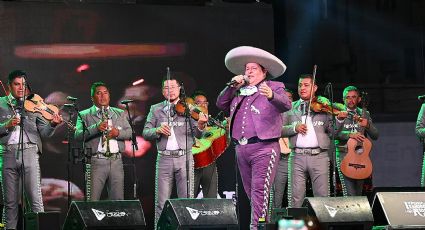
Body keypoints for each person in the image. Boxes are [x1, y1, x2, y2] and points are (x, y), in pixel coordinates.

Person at [216, 46, 292, 229]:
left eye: (254, 68)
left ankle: (255, 227)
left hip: (264, 148)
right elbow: (220, 104)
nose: (249, 71)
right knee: (251, 193)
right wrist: (232, 86)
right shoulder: (238, 91)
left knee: (260, 191)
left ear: (264, 72)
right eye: (247, 69)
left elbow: (286, 104)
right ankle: (261, 224)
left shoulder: (274, 86)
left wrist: (272, 95)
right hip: (242, 149)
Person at [0, 70, 62, 230]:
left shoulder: (33, 104)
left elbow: (45, 133)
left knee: (35, 198)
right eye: (17, 84)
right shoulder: (1, 103)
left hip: (30, 152)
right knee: (10, 202)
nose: (21, 88)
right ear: (9, 86)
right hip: (7, 153)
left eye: (24, 84)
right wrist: (6, 125)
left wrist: (53, 124)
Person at [142, 76, 208, 227]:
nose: (170, 91)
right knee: (161, 202)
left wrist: (201, 125)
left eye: (173, 87)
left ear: (179, 89)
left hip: (184, 157)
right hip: (164, 159)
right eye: (166, 88)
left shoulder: (189, 108)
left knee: (187, 200)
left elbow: (198, 135)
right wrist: (157, 130)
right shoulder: (156, 108)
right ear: (162, 91)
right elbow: (146, 132)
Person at [282, 74, 337, 208]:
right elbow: (279, 130)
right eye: (300, 85)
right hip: (297, 156)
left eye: (306, 85)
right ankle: (296, 227)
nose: (302, 88)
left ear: (315, 88)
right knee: (295, 197)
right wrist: (294, 128)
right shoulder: (289, 108)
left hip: (320, 156)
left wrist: (338, 118)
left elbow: (333, 132)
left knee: (322, 196)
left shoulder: (323, 107)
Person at [74, 82, 132, 201]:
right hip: (96, 161)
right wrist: (96, 128)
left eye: (105, 93)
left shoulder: (119, 113)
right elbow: (78, 135)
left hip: (116, 161)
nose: (103, 96)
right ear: (92, 97)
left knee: (118, 200)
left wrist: (118, 133)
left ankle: (116, 220)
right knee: (92, 201)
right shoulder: (84, 115)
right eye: (98, 93)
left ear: (109, 96)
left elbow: (130, 133)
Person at [334, 86, 378, 196]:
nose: (350, 100)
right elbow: (332, 134)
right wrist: (350, 134)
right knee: (349, 194)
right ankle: (350, 213)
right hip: (343, 155)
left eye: (353, 97)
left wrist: (367, 125)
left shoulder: (364, 113)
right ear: (343, 99)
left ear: (359, 99)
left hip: (361, 157)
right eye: (347, 97)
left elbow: (375, 135)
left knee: (359, 194)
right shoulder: (338, 113)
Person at [192, 90, 224, 198]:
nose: (203, 105)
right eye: (198, 103)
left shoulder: (213, 123)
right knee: (188, 199)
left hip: (210, 164)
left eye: (205, 103)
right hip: (193, 164)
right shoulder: (186, 121)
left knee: (212, 198)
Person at [272, 89, 294, 208]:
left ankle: (294, 223)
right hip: (279, 160)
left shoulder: (297, 115)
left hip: (295, 158)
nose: (287, 100)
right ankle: (272, 224)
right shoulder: (273, 114)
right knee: (276, 196)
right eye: (284, 97)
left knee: (294, 196)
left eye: (290, 97)